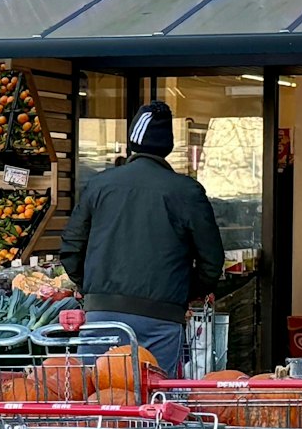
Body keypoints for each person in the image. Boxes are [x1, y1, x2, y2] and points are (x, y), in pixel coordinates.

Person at [59, 100, 225, 376]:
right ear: (168, 147)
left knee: (93, 399)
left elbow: (72, 248)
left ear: (133, 142)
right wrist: (184, 292)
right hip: (161, 319)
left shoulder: (99, 186)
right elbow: (212, 260)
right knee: (153, 404)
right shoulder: (187, 192)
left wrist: (89, 287)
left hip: (102, 315)